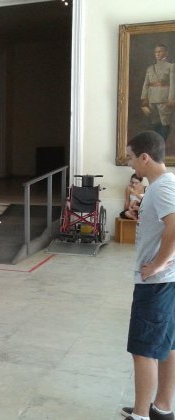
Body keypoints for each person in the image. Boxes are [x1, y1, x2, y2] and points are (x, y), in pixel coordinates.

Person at [121, 131, 175, 420]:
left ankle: (141, 415)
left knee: (143, 348)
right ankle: (162, 408)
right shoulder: (161, 186)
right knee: (167, 344)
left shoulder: (164, 186)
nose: (130, 164)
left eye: (131, 157)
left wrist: (156, 264)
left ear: (145, 157)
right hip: (167, 281)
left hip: (157, 283)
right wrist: (141, 207)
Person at [141, 44, 175, 141]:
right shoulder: (150, 68)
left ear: (166, 53)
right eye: (156, 52)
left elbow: (173, 83)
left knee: (165, 122)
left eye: (160, 51)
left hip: (164, 99)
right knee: (154, 122)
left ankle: (162, 143)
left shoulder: (171, 66)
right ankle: (155, 144)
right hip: (152, 99)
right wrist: (144, 99)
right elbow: (146, 84)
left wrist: (171, 99)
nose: (158, 54)